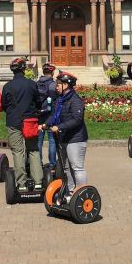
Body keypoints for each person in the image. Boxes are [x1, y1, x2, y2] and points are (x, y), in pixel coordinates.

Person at [43, 72, 87, 200]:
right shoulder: (60, 100)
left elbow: (77, 119)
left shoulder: (76, 100)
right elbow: (54, 116)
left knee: (77, 167)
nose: (56, 87)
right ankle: (72, 193)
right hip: (64, 138)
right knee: (66, 167)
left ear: (66, 85)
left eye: (58, 84)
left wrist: (60, 127)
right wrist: (45, 124)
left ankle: (82, 194)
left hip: (76, 139)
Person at [1, 57, 43, 192]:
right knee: (33, 150)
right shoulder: (31, 84)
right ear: (24, 69)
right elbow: (38, 102)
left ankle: (22, 183)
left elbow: (3, 105)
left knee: (18, 152)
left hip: (14, 122)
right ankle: (38, 182)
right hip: (29, 121)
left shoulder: (7, 86)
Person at [36, 62, 59, 168]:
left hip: (39, 115)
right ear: (52, 72)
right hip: (50, 115)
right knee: (52, 141)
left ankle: (38, 163)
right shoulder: (53, 85)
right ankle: (52, 164)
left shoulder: (36, 83)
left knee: (39, 141)